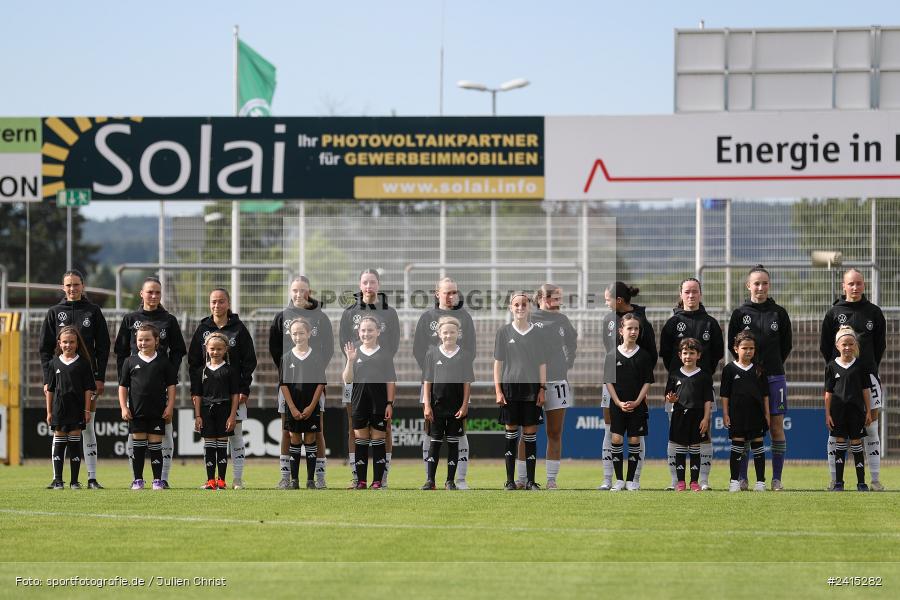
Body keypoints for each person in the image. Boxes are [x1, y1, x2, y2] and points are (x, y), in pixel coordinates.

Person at [39, 269, 110, 490]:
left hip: (87, 382)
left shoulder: (93, 311)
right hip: (61, 380)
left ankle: (91, 477)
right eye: (68, 285)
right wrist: (47, 378)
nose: (72, 289)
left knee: (88, 426)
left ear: (83, 286)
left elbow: (104, 346)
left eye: (76, 285)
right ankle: (56, 477)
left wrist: (99, 377)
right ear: (63, 287)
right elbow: (44, 349)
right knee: (59, 428)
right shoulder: (54, 312)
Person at [114, 277, 186, 489]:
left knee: (163, 432)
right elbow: (120, 351)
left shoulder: (169, 320)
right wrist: (125, 376)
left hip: (160, 386)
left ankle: (162, 478)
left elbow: (179, 350)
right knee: (136, 436)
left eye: (157, 293)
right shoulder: (130, 319)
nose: (153, 296)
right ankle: (136, 478)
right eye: (150, 292)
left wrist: (168, 372)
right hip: (137, 386)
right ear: (141, 294)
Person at [820, 268, 886, 491]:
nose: (855, 287)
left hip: (867, 378)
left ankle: (874, 479)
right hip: (841, 380)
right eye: (851, 284)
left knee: (871, 426)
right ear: (843, 286)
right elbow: (825, 347)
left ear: (864, 285)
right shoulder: (833, 313)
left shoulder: (874, 312)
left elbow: (880, 346)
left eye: (859, 283)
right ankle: (834, 479)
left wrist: (867, 368)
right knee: (835, 430)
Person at [727, 265, 792, 491]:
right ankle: (743, 479)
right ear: (748, 286)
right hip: (747, 380)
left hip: (775, 377)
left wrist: (769, 367)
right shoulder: (739, 314)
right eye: (756, 283)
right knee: (745, 428)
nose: (761, 287)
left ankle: (776, 479)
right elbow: (731, 346)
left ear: (769, 285)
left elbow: (786, 346)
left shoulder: (779, 313)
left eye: (764, 283)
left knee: (776, 428)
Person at [188, 288, 257, 489]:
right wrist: (196, 391)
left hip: (234, 395)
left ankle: (237, 479)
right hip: (209, 397)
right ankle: (211, 479)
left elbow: (249, 361)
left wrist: (244, 388)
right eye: (213, 302)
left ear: (228, 303)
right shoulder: (203, 329)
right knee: (209, 437)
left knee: (235, 434)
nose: (217, 305)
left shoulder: (239, 328)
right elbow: (193, 363)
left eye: (221, 301)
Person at [269, 276, 334, 490]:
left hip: (313, 384)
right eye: (295, 290)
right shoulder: (282, 317)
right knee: (287, 430)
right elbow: (274, 349)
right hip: (289, 383)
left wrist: (312, 371)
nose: (298, 294)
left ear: (309, 292)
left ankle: (319, 477)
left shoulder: (320, 318)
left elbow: (328, 348)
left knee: (319, 430)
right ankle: (286, 477)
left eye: (303, 290)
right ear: (290, 291)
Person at [659, 277, 724, 490]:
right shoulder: (671, 323)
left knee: (703, 435)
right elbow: (666, 354)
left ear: (700, 294)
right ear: (681, 295)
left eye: (695, 291)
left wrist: (702, 375)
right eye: (687, 292)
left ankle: (702, 480)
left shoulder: (710, 323)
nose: (691, 295)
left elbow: (717, 354)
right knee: (674, 434)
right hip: (678, 388)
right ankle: (674, 480)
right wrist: (678, 376)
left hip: (702, 388)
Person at [339, 269, 400, 488]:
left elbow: (393, 344)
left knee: (385, 429)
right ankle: (358, 477)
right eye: (365, 282)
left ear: (378, 284)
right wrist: (354, 359)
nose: (368, 286)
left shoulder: (389, 312)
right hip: (355, 374)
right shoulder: (349, 313)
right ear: (360, 284)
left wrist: (377, 360)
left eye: (372, 282)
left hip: (378, 375)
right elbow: (344, 343)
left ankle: (382, 477)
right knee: (354, 427)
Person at [413, 277, 476, 489]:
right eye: (447, 292)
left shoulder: (464, 317)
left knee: (459, 433)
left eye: (454, 292)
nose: (451, 296)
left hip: (457, 386)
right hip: (432, 383)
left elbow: (471, 350)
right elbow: (418, 350)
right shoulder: (427, 317)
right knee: (431, 432)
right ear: (437, 293)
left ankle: (459, 478)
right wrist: (435, 371)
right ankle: (429, 477)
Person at [514, 283, 577, 490]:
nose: (559, 302)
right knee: (528, 432)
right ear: (542, 298)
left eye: (560, 298)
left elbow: (572, 343)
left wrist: (567, 363)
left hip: (557, 381)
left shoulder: (563, 320)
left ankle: (551, 479)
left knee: (554, 432)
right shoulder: (530, 318)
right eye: (556, 298)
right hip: (532, 383)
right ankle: (522, 479)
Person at [599, 282, 656, 490]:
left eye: (608, 299)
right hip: (615, 389)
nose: (606, 303)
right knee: (611, 432)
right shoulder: (608, 320)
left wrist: (642, 393)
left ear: (619, 300)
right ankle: (609, 478)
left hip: (637, 390)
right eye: (628, 328)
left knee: (635, 436)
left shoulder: (643, 322)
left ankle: (635, 479)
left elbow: (651, 355)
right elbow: (609, 352)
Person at [494, 291, 548, 491]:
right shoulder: (503, 332)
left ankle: (531, 481)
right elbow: (498, 365)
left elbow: (542, 364)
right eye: (516, 304)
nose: (520, 308)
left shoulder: (538, 333)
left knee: (530, 435)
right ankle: (509, 481)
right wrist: (498, 390)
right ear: (511, 307)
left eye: (524, 304)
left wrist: (542, 388)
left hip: (532, 390)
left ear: (529, 307)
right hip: (509, 390)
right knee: (510, 435)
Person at [118, 324, 177, 490]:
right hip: (136, 412)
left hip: (157, 412)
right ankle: (138, 480)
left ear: (156, 340)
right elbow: (123, 387)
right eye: (140, 339)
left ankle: (157, 480)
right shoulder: (130, 361)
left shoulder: (163, 362)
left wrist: (170, 406)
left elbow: (172, 386)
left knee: (156, 447)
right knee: (138, 447)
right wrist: (124, 407)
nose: (143, 342)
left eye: (147, 339)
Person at [342, 315, 396, 489]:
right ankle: (361, 481)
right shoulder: (353, 351)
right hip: (359, 402)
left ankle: (378, 481)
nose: (366, 333)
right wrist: (350, 361)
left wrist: (389, 403)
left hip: (379, 403)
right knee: (361, 439)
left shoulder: (385, 355)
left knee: (379, 438)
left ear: (378, 332)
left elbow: (391, 381)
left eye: (370, 330)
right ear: (358, 332)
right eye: (363, 330)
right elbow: (347, 380)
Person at [421, 316, 473, 490]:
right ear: (439, 334)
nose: (449, 335)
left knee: (453, 444)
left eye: (452, 332)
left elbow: (467, 383)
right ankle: (430, 480)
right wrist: (427, 405)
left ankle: (450, 480)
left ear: (458, 334)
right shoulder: (431, 353)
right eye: (445, 332)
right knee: (434, 444)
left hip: (456, 408)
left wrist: (465, 405)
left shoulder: (464, 356)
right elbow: (427, 381)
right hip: (436, 408)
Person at [45, 326, 96, 490]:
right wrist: (49, 412)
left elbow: (88, 389)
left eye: (71, 342)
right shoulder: (53, 363)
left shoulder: (83, 363)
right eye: (65, 342)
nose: (68, 345)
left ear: (77, 343)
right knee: (59, 445)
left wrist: (87, 410)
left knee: (74, 444)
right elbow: (50, 389)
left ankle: (74, 481)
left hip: (77, 410)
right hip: (59, 410)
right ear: (59, 343)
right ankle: (58, 480)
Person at [280, 318, 327, 490]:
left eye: (301, 333)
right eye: (294, 333)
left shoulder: (316, 356)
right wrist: (291, 407)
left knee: (310, 438)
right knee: (294, 438)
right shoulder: (286, 358)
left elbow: (321, 383)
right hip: (293, 405)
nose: (298, 336)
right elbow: (283, 385)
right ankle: (294, 480)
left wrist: (311, 406)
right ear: (290, 335)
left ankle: (310, 480)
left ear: (309, 333)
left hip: (310, 405)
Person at [824, 326, 873, 492]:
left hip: (856, 412)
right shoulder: (831, 366)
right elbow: (828, 393)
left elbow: (865, 390)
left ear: (855, 345)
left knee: (856, 444)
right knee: (840, 443)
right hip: (838, 413)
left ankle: (861, 482)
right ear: (837, 346)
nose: (847, 347)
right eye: (844, 344)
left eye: (851, 344)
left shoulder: (860, 366)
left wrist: (868, 410)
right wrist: (827, 414)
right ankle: (839, 482)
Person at [721, 331, 770, 493]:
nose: (748, 351)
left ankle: (761, 482)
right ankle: (734, 481)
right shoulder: (729, 369)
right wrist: (726, 414)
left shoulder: (759, 370)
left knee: (758, 446)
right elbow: (725, 395)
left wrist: (767, 415)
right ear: (736, 349)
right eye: (744, 348)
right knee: (737, 446)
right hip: (737, 415)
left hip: (756, 414)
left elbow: (765, 395)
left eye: (751, 348)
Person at [191, 332, 239, 490]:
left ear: (225, 349)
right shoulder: (201, 371)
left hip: (224, 410)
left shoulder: (231, 370)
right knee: (209, 447)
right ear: (206, 349)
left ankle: (222, 480)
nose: (215, 352)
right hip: (206, 411)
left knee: (222, 447)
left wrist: (232, 416)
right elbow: (197, 395)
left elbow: (235, 395)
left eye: (219, 349)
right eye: (212, 349)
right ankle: (210, 480)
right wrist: (197, 415)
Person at [665, 338, 714, 492]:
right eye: (685, 353)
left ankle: (694, 481)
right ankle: (680, 482)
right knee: (679, 449)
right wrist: (670, 399)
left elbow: (708, 400)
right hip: (679, 415)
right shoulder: (674, 375)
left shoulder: (704, 376)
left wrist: (706, 418)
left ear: (698, 355)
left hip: (697, 416)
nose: (688, 356)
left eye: (692, 353)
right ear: (680, 355)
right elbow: (668, 395)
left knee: (695, 449)